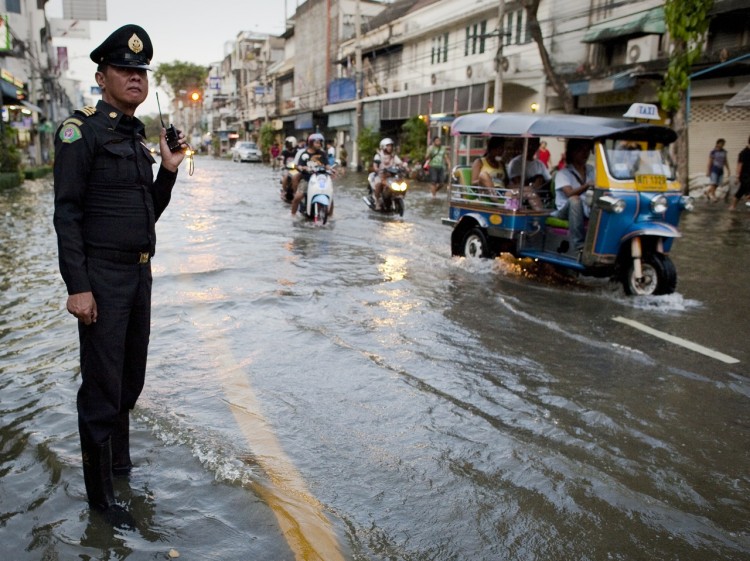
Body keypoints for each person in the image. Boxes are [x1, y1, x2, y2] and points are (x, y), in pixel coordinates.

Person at [52, 24, 186, 523]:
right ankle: (101, 503)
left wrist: (168, 170)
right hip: (101, 281)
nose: (135, 78)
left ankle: (121, 469)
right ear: (101, 76)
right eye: (125, 70)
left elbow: (146, 212)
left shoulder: (134, 138)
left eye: (141, 71)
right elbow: (66, 214)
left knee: (129, 382)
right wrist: (78, 287)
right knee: (102, 390)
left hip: (138, 277)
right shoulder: (80, 131)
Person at [552, 138, 595, 252]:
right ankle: (578, 245)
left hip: (586, 209)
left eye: (587, 150)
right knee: (575, 200)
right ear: (572, 152)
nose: (585, 153)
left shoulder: (591, 170)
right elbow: (569, 193)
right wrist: (587, 185)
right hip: (565, 211)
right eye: (581, 150)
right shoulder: (563, 173)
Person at [291, 132, 334, 216]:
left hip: (321, 179)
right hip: (307, 179)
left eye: (320, 142)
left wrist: (331, 169)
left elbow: (327, 165)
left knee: (331, 198)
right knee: (297, 197)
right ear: (311, 143)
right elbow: (299, 165)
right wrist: (303, 168)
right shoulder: (304, 154)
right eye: (317, 142)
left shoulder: (323, 153)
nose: (319, 144)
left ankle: (331, 216)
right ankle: (292, 214)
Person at [507, 137, 548, 210]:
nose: (531, 148)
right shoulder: (516, 163)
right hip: (520, 196)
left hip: (540, 196)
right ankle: (539, 213)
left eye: (534, 145)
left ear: (538, 146)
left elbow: (548, 180)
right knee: (530, 192)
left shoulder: (540, 164)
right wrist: (532, 185)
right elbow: (518, 183)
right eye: (529, 145)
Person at [470, 136, 507, 201]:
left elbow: (507, 183)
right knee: (483, 175)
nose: (502, 151)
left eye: (503, 148)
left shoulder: (501, 164)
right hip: (486, 191)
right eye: (500, 148)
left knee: (527, 190)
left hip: (502, 190)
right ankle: (496, 202)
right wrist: (487, 180)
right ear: (493, 148)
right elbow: (473, 182)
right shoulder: (479, 162)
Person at [372, 137, 404, 210]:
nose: (390, 148)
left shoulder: (393, 156)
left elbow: (400, 163)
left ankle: (397, 196)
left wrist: (404, 166)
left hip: (391, 177)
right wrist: (377, 169)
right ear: (383, 146)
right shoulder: (378, 155)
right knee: (379, 184)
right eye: (388, 146)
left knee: (402, 183)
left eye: (391, 146)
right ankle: (377, 201)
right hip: (381, 176)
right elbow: (375, 166)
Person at [729, 135, 750, 211]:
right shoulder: (744, 153)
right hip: (744, 176)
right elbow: (739, 165)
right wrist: (737, 177)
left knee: (741, 191)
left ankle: (732, 207)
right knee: (746, 191)